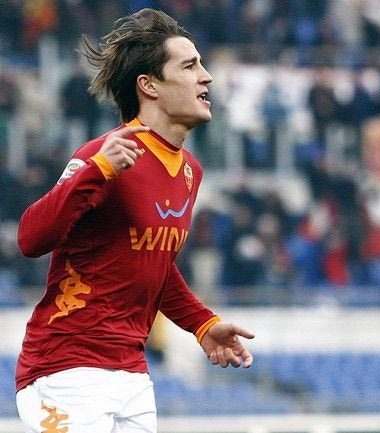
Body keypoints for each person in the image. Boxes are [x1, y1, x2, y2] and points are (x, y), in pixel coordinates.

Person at [15, 8, 254, 433]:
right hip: (66, 368)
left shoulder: (190, 171)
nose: (206, 77)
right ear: (149, 85)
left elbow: (154, 263)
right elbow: (30, 238)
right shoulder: (106, 154)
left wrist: (202, 324)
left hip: (133, 376)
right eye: (189, 66)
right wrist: (95, 171)